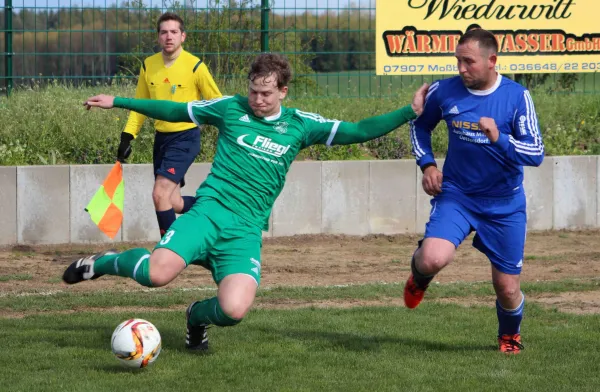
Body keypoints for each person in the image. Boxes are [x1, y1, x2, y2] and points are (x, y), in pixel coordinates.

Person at [63, 53, 429, 351]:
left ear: (283, 92)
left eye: (266, 94)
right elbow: (176, 110)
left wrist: (408, 112)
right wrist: (119, 102)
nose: (257, 100)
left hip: (245, 230)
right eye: (254, 91)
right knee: (157, 275)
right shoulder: (230, 108)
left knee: (234, 310)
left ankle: (195, 317)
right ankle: (103, 263)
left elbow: (358, 130)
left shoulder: (300, 125)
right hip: (207, 213)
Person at [405, 28, 544, 354]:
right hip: (457, 194)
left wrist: (500, 138)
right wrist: (427, 165)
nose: (461, 68)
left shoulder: (516, 96)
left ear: (492, 60)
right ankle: (418, 278)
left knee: (507, 289)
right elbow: (419, 124)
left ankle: (509, 336)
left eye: (469, 62)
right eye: (458, 61)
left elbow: (535, 152)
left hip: (504, 203)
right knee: (432, 258)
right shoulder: (445, 91)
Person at [119, 12, 222, 238]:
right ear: (158, 37)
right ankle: (216, 208)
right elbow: (140, 106)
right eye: (164, 32)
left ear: (183, 36)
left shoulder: (196, 66)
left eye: (174, 32)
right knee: (173, 202)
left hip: (186, 138)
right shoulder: (148, 66)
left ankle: (169, 248)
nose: (169, 37)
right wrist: (127, 135)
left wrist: (227, 135)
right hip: (161, 139)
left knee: (158, 195)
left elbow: (218, 104)